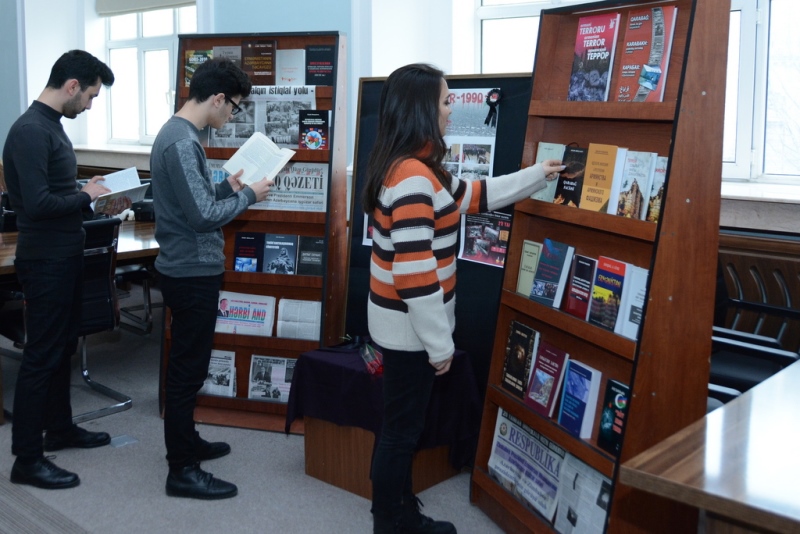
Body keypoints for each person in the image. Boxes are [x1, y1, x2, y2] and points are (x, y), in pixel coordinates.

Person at [362, 63, 564, 534]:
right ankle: (392, 523)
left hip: (400, 325)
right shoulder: (413, 177)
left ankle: (399, 512)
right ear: (422, 109)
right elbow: (415, 277)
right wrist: (440, 347)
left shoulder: (412, 166)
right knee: (400, 433)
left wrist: (537, 174)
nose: (451, 110)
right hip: (411, 331)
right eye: (446, 101)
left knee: (399, 427)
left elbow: (473, 195)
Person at [150, 57, 273, 500]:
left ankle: (187, 441)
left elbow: (192, 201)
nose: (232, 117)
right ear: (218, 98)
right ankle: (181, 469)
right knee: (187, 372)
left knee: (191, 365)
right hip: (191, 272)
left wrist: (226, 187)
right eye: (234, 107)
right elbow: (202, 217)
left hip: (186, 267)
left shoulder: (178, 134)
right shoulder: (183, 142)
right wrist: (247, 195)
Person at [2, 50, 117, 490]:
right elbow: (36, 204)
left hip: (65, 254)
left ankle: (60, 428)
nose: (89, 105)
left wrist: (90, 194)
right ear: (72, 86)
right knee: (41, 357)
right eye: (89, 96)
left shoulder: (51, 126)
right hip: (45, 260)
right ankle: (27, 459)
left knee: (63, 347)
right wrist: (85, 196)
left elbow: (54, 189)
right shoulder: (31, 131)